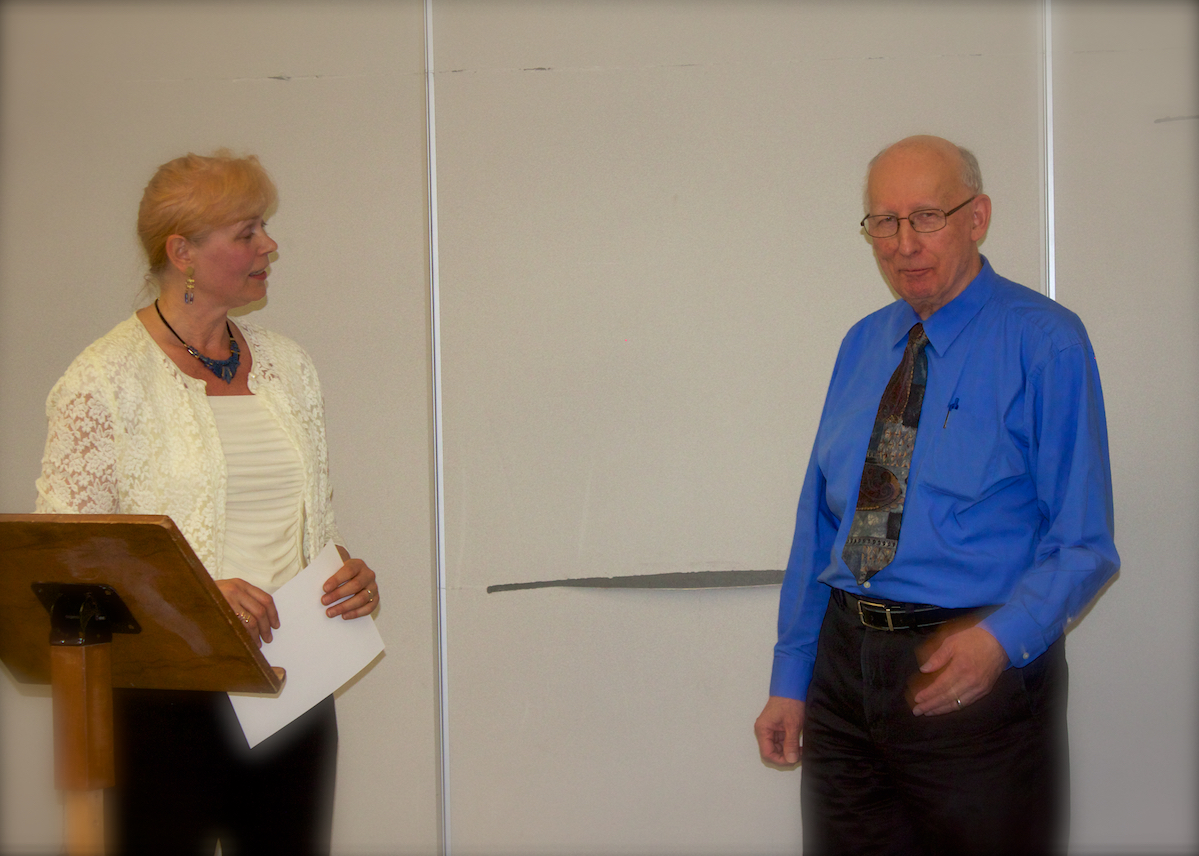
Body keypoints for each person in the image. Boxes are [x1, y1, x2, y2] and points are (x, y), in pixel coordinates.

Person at [753, 135, 1118, 856]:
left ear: (976, 218)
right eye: (883, 222)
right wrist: (790, 678)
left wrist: (999, 643)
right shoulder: (862, 344)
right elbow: (820, 523)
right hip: (842, 671)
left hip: (972, 671)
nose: (903, 243)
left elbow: (1083, 543)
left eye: (926, 216)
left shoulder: (1046, 343)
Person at [35, 150, 380, 855]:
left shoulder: (289, 366)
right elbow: (63, 564)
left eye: (264, 228)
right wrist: (193, 598)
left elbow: (305, 522)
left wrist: (343, 572)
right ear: (182, 253)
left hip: (293, 687)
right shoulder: (104, 379)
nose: (269, 246)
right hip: (166, 703)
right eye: (247, 232)